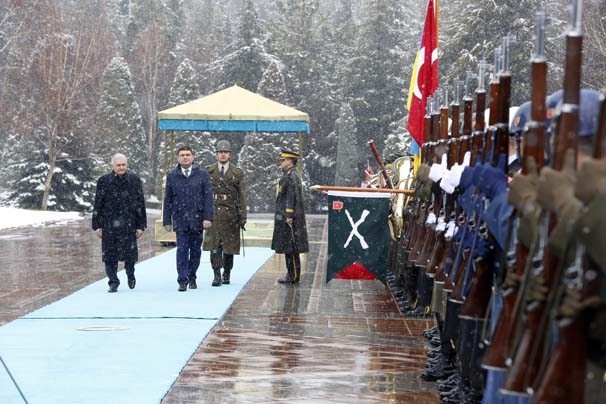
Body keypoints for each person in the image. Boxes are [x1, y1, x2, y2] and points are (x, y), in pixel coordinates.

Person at [92, 153, 147, 293]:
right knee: (110, 256)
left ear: (127, 165)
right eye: (118, 165)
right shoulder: (103, 181)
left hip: (129, 223)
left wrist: (141, 225)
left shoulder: (134, 180)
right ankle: (113, 281)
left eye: (123, 165)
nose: (121, 167)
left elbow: (140, 203)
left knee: (130, 255)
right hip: (109, 223)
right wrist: (97, 225)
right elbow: (98, 204)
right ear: (113, 166)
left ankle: (130, 274)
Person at [163, 145, 213, 291]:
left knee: (196, 251)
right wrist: (167, 220)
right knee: (182, 250)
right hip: (180, 220)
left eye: (188, 154)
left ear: (193, 157)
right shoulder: (172, 175)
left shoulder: (202, 174)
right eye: (182, 155)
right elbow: (168, 199)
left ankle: (192, 276)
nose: (185, 157)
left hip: (197, 219)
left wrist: (208, 217)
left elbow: (208, 197)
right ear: (178, 158)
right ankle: (182, 279)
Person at [203, 140, 247, 287]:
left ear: (230, 155)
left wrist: (242, 216)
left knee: (229, 246)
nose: (223, 154)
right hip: (213, 212)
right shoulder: (208, 171)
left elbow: (241, 195)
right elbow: (203, 194)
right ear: (216, 154)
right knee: (215, 245)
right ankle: (216, 274)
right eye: (220, 152)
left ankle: (226, 272)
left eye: (225, 152)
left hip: (230, 214)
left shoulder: (237, 173)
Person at [271, 150, 309, 284]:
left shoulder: (291, 176)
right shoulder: (290, 175)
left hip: (289, 218)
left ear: (289, 161)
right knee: (289, 247)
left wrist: (288, 214)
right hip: (288, 217)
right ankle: (291, 274)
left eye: (283, 160)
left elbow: (291, 197)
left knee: (291, 248)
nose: (281, 163)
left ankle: (293, 276)